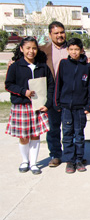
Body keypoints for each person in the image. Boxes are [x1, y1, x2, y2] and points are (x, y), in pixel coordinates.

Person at [5, 37, 54, 175]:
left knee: (35, 135)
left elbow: (51, 85)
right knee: (24, 135)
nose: (31, 51)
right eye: (27, 48)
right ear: (22, 49)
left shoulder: (42, 66)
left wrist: (47, 103)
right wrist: (23, 92)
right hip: (21, 105)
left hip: (38, 106)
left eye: (33, 48)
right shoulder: (15, 66)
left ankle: (34, 163)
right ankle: (25, 160)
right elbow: (8, 84)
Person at [54, 38, 90, 174]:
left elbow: (89, 87)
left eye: (76, 49)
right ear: (68, 50)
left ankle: (79, 159)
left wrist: (88, 106)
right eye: (71, 49)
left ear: (82, 50)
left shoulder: (87, 66)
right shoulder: (64, 63)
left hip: (80, 107)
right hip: (66, 107)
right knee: (67, 133)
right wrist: (57, 103)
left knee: (79, 134)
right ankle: (69, 160)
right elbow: (58, 84)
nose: (74, 52)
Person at [39, 21, 68, 168]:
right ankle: (56, 154)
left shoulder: (73, 48)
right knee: (53, 127)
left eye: (61, 32)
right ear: (50, 34)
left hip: (69, 94)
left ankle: (71, 154)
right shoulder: (42, 51)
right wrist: (14, 61)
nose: (59, 35)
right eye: (56, 33)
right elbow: (26, 57)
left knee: (70, 127)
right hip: (51, 94)